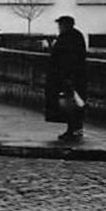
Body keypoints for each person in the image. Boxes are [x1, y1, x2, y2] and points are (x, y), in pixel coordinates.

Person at [46, 14, 89, 142]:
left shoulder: (69, 37)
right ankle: (74, 129)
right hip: (72, 76)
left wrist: (67, 76)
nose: (59, 27)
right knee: (71, 104)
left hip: (70, 76)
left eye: (60, 25)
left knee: (71, 104)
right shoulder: (74, 36)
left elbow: (69, 58)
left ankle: (74, 129)